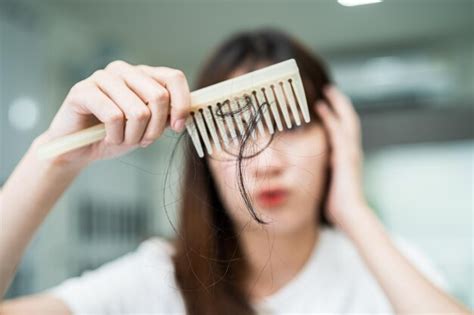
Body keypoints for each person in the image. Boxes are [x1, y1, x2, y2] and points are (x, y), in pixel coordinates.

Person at [0, 29, 469, 315]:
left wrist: (354, 213)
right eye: (236, 129)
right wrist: (51, 161)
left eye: (292, 126)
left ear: (335, 138)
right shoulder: (156, 281)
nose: (266, 161)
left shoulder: (388, 268)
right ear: (202, 156)